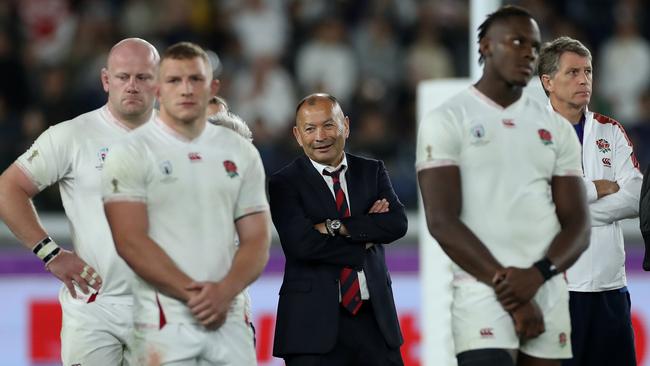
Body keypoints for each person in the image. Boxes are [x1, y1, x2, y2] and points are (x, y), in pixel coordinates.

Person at [416, 6, 591, 366]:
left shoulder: (556, 128)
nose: (528, 51)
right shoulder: (448, 118)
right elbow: (442, 221)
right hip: (481, 291)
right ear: (485, 46)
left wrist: (539, 275)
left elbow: (578, 224)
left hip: (547, 288)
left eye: (534, 45)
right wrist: (513, 292)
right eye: (516, 41)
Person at [101, 41, 270, 365]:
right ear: (158, 88)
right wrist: (198, 296)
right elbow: (129, 240)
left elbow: (257, 239)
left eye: (195, 79)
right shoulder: (131, 152)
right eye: (175, 80)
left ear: (213, 86)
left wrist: (224, 292)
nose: (186, 89)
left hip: (229, 313)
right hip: (163, 319)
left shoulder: (240, 151)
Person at [0, 38, 158, 365]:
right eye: (122, 76)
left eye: (142, 77)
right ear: (105, 80)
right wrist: (50, 253)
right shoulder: (72, 136)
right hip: (95, 308)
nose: (131, 85)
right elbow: (8, 188)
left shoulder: (184, 140)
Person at [268, 93, 407, 366]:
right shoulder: (284, 182)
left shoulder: (372, 170)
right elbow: (301, 245)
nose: (320, 136)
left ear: (345, 125)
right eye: (310, 129)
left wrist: (335, 226)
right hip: (312, 329)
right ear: (298, 135)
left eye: (328, 125)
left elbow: (396, 223)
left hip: (376, 324)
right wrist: (365, 234)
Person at [538, 36, 642, 366]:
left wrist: (574, 211)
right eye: (572, 72)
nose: (584, 80)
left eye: (588, 71)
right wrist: (599, 188)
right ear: (548, 82)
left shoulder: (611, 131)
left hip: (611, 289)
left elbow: (636, 196)